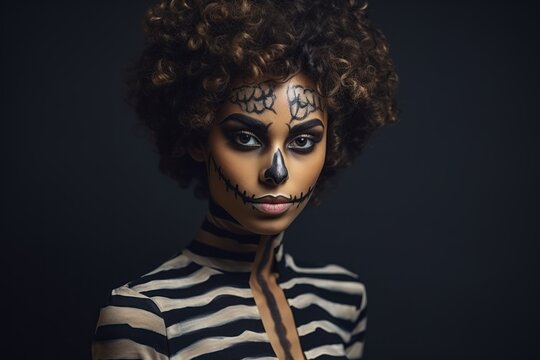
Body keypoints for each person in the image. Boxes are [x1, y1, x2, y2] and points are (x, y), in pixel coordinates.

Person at [92, 0, 398, 359]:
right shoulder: (144, 319)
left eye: (303, 141)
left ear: (332, 143)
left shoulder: (341, 299)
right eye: (246, 138)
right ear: (196, 137)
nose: (277, 171)